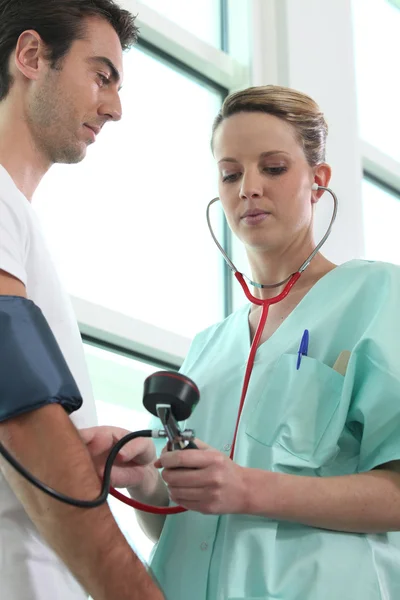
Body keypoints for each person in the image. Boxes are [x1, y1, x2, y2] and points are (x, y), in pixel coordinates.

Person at [81, 85, 400, 600]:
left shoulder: (376, 298)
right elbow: (178, 525)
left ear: (317, 182)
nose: (248, 187)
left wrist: (246, 487)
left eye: (272, 168)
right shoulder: (209, 349)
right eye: (231, 174)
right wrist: (147, 482)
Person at [0, 1, 164, 599]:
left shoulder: (22, 226)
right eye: (101, 75)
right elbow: (23, 417)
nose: (115, 108)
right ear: (31, 56)